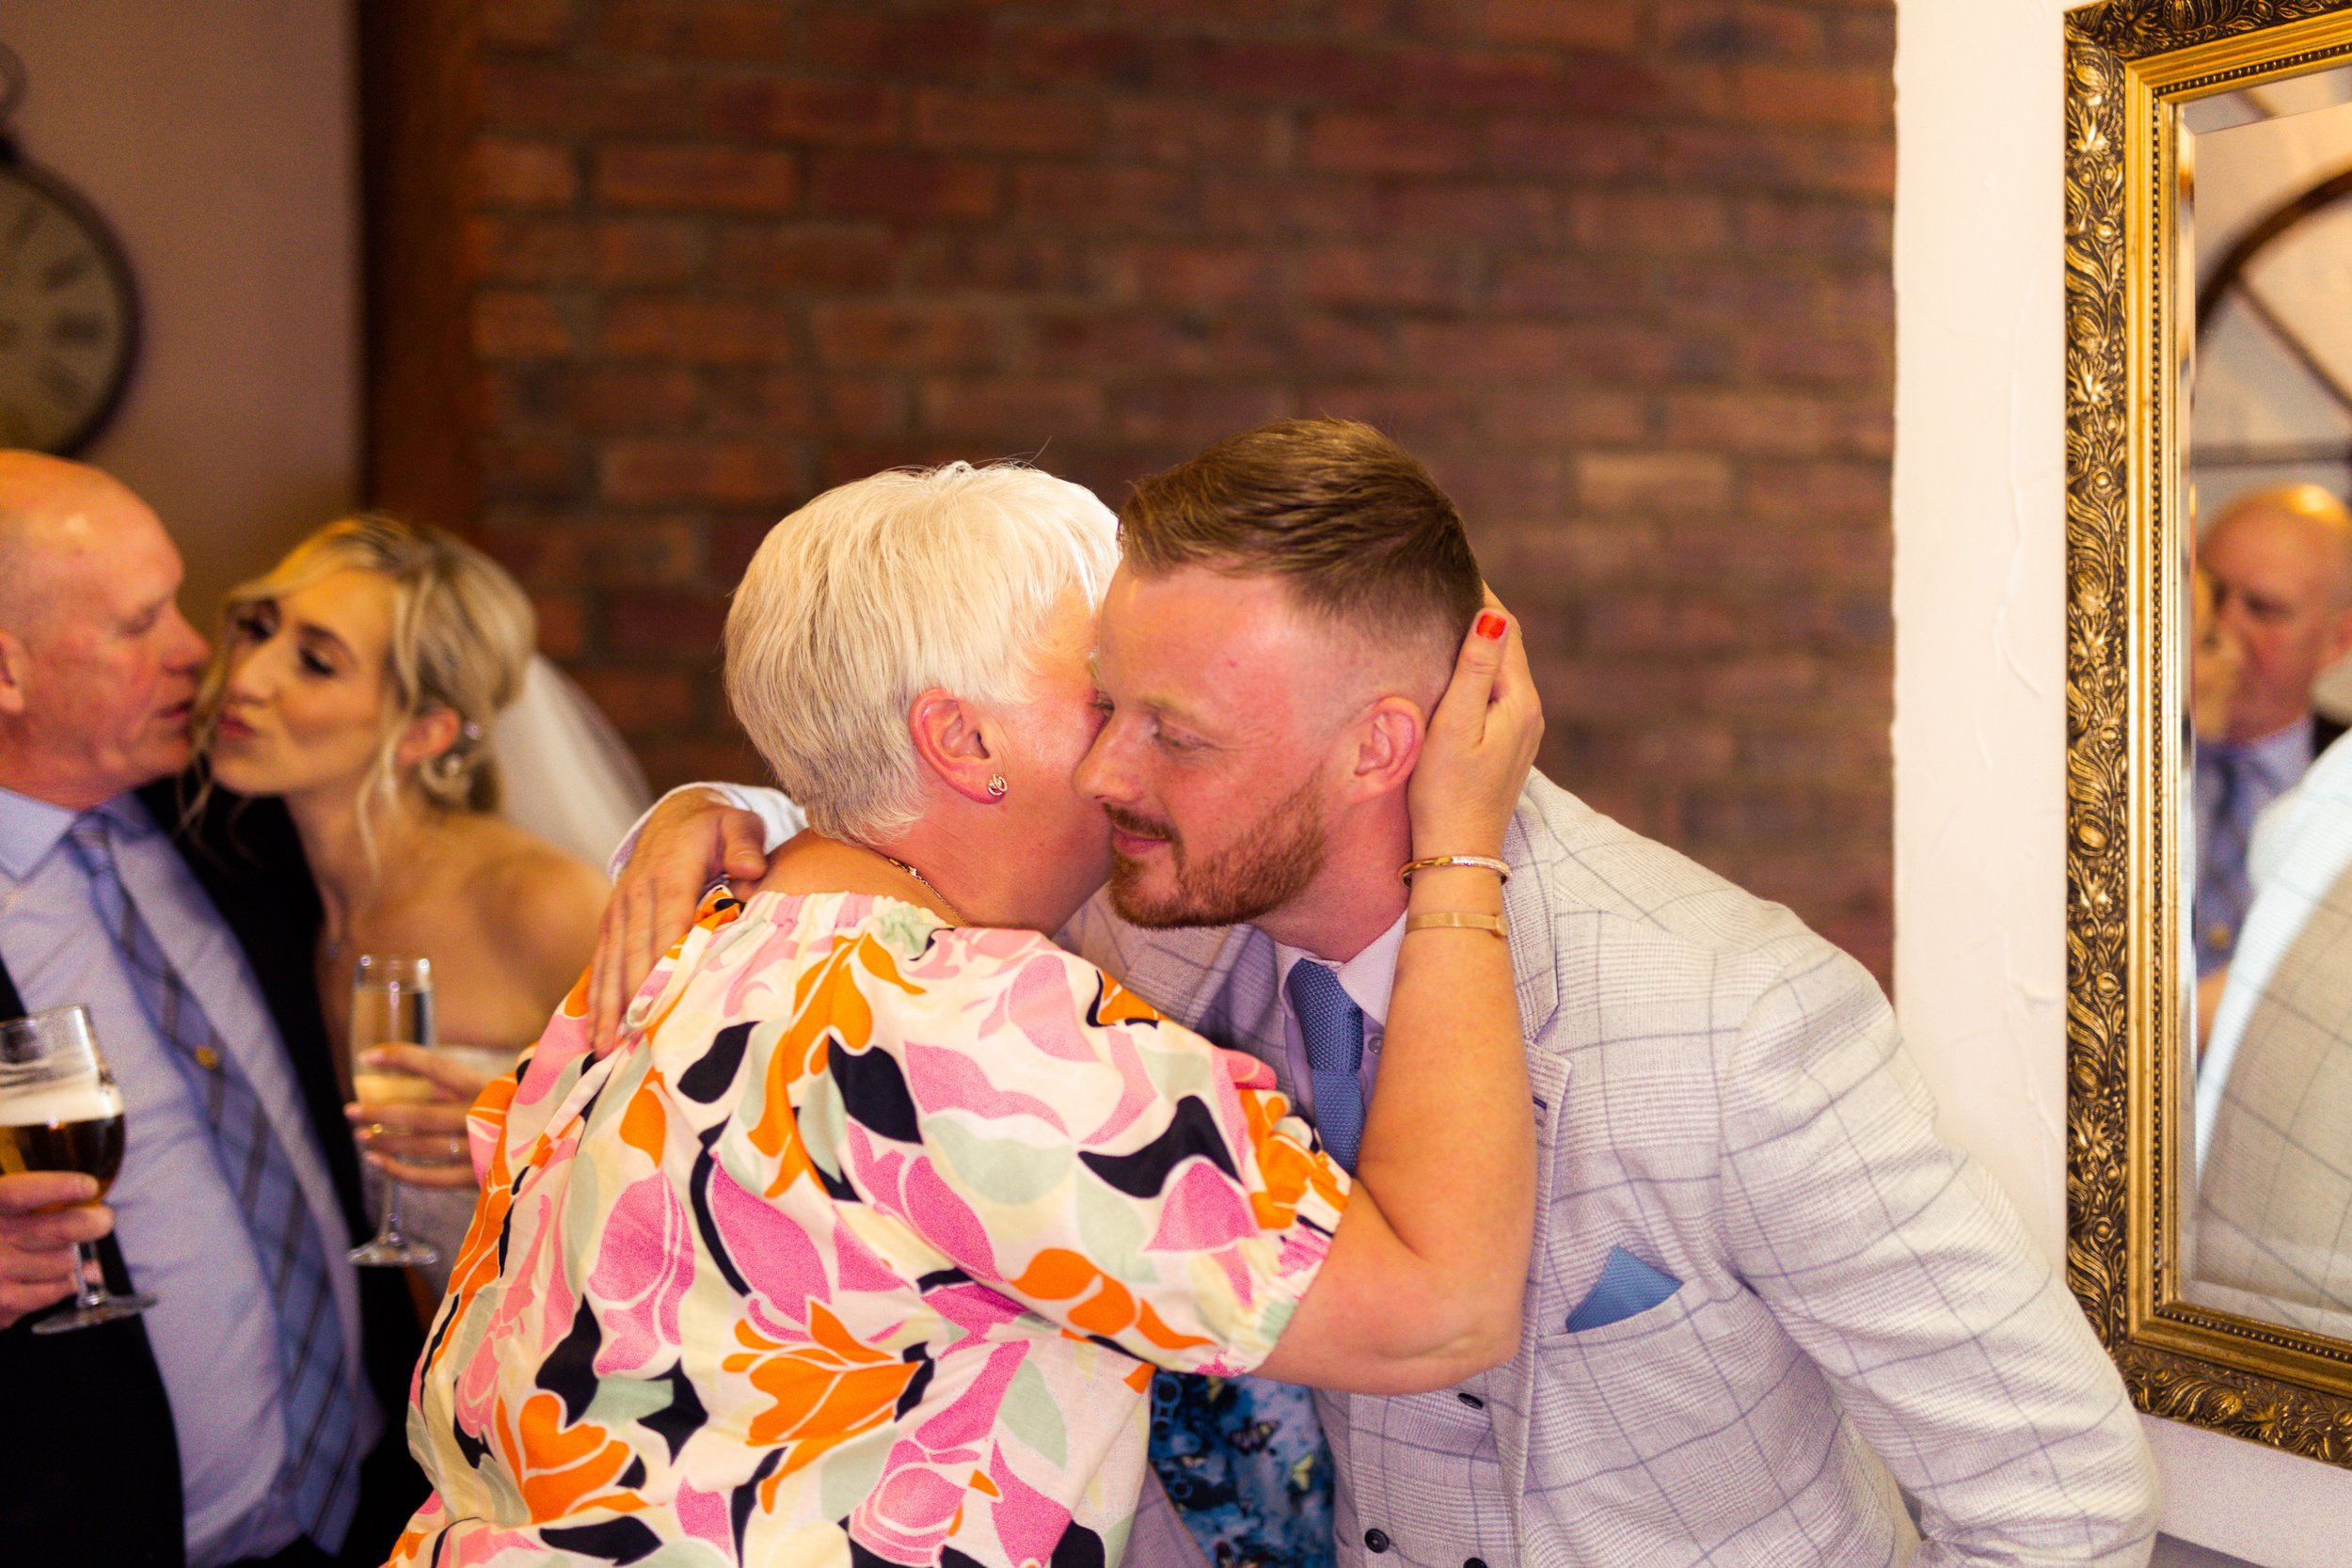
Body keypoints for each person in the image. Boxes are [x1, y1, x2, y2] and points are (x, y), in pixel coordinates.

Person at [616, 420, 2161, 1568]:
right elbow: (908, 834)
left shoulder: (1733, 1021)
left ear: (1381, 748)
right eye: (1103, 703)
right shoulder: (1141, 914)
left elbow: (2059, 1490)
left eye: (1173, 732)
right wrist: (705, 813)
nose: (1101, 770)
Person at [390, 461, 1544, 1568]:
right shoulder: (974, 1026)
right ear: (963, 739)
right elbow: (1435, 1308)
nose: (1130, 750)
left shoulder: (681, 943)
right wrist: (1457, 851)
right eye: (1105, 696)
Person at [0, 452, 421, 1566]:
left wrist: (704, 810)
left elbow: (460, 803)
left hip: (378, 1510)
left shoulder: (232, 814)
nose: (199, 649)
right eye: (140, 624)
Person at [194, 516, 612, 1292]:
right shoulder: (260, 889)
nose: (246, 676)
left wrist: (528, 1137)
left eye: (315, 663)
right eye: (256, 629)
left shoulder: (535, 900)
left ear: (424, 731)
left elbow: (698, 1140)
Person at [2192, 483, 2352, 974]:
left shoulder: (2342, 774)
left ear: (2337, 641)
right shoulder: (2108, 749)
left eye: (2263, 609)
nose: (2222, 625)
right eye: (2209, 593)